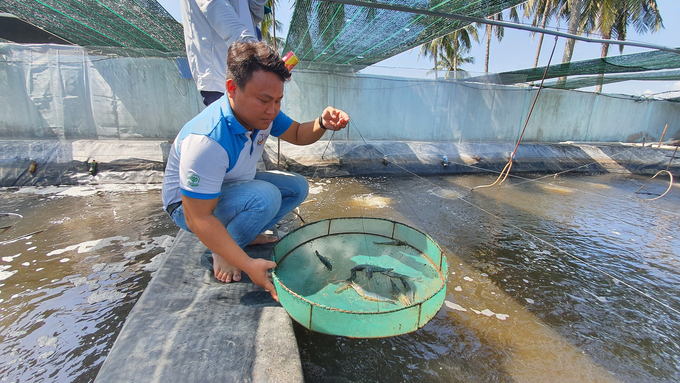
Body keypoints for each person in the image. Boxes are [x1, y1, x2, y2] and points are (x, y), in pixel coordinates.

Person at [162, 41, 350, 301]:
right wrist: (248, 264)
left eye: (278, 101)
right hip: (186, 206)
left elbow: (296, 133)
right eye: (264, 100)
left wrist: (322, 122)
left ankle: (239, 237)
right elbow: (198, 218)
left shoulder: (262, 116)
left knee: (296, 187)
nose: (272, 110)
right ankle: (225, 251)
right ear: (232, 89)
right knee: (266, 197)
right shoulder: (207, 140)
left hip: (230, 186)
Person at [180, 0, 266, 106]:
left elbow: (253, 12)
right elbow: (216, 8)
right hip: (219, 76)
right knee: (232, 121)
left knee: (258, 121)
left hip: (247, 70)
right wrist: (254, 49)